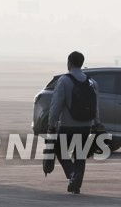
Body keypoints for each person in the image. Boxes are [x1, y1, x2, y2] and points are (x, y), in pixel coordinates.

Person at [47, 50, 101, 194]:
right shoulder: (91, 82)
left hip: (67, 126)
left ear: (69, 63)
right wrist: (96, 122)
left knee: (60, 151)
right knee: (80, 156)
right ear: (81, 63)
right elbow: (95, 106)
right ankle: (75, 185)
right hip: (85, 126)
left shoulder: (64, 81)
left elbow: (56, 105)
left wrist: (51, 124)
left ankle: (72, 174)